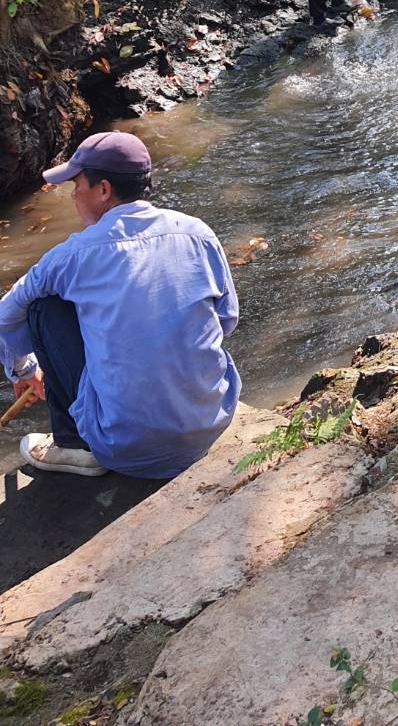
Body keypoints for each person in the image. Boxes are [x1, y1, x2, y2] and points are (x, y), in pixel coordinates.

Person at [0, 132, 240, 480]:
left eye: (76, 185)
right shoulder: (197, 232)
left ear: (103, 190)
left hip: (123, 448)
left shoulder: (73, 255)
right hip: (210, 424)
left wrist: (23, 370)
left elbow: (6, 313)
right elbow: (226, 319)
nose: (73, 196)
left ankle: (74, 445)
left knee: (42, 307)